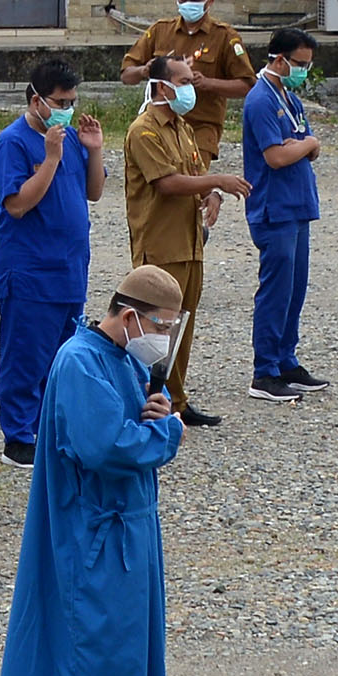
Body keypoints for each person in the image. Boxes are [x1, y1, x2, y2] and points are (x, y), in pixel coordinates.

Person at [0, 266, 192, 676]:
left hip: (127, 535)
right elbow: (107, 446)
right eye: (160, 327)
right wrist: (169, 434)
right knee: (92, 665)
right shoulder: (79, 362)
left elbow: (134, 418)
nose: (163, 338)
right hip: (93, 539)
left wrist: (154, 411)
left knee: (129, 665)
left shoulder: (124, 359)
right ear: (129, 316)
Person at [0, 60, 107, 467]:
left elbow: (93, 192)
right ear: (36, 99)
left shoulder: (69, 137)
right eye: (60, 101)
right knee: (26, 354)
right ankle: (18, 436)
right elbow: (17, 204)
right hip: (30, 271)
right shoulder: (14, 142)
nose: (67, 109)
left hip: (69, 268)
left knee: (62, 358)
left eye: (72, 101)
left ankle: (50, 428)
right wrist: (50, 159)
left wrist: (93, 150)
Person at [122, 55, 247, 427]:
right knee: (153, 329)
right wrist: (217, 181)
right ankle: (145, 400)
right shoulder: (144, 130)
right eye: (185, 82)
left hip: (190, 243)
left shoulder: (182, 127)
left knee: (181, 328)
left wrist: (212, 194)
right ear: (163, 87)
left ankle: (174, 399)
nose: (191, 89)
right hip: (160, 245)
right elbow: (167, 183)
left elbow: (195, 173)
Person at [242, 27, 329, 404]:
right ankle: (264, 371)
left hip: (297, 205)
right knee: (275, 291)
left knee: (295, 289)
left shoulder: (288, 97)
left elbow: (306, 148)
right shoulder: (261, 100)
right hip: (274, 208)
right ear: (278, 59)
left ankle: (285, 359)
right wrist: (306, 144)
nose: (303, 72)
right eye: (299, 64)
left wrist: (304, 145)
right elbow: (277, 155)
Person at [121, 0, 259, 92]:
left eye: (195, 0)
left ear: (210, 0)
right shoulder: (160, 30)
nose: (188, 5)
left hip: (203, 120)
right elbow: (126, 76)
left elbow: (247, 85)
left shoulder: (224, 36)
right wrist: (143, 71)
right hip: (161, 119)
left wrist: (208, 83)